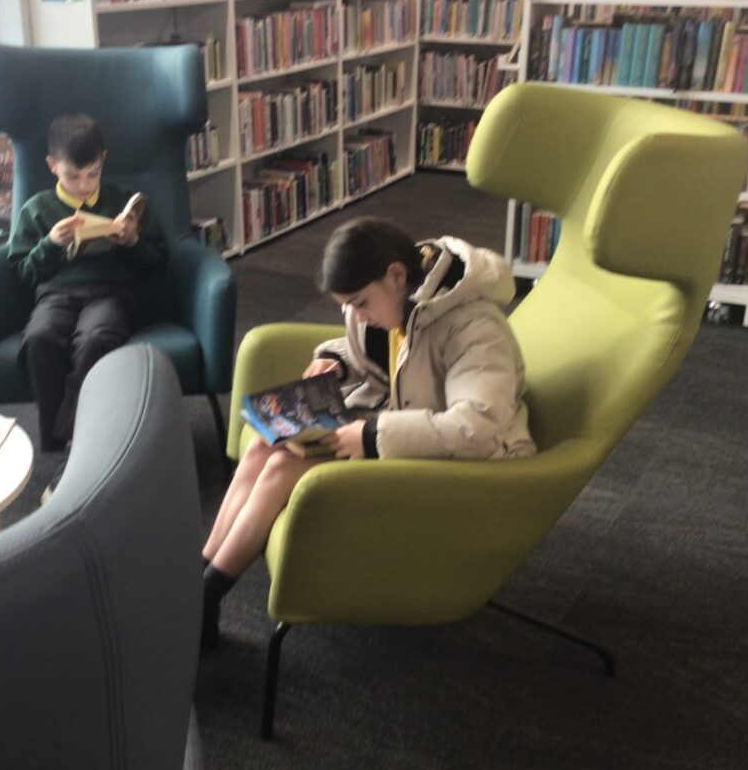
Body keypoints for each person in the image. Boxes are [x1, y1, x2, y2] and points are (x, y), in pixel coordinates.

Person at [200, 217, 536, 648]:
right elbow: (400, 353)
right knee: (262, 448)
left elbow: (478, 427)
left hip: (466, 462)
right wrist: (337, 361)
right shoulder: (402, 298)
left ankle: (205, 599)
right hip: (406, 421)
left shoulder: (475, 328)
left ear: (396, 275)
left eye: (360, 303)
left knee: (281, 467)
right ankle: (200, 580)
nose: (357, 316)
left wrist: (370, 437)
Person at [7, 114, 165, 470]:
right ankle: (58, 444)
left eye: (93, 174)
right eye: (72, 176)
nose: (84, 185)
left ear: (102, 160)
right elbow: (21, 273)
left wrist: (132, 241)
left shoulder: (123, 201)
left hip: (110, 293)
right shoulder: (37, 209)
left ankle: (74, 439)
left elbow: (158, 261)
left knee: (96, 338)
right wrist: (50, 244)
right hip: (56, 295)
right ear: (52, 166)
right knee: (39, 337)